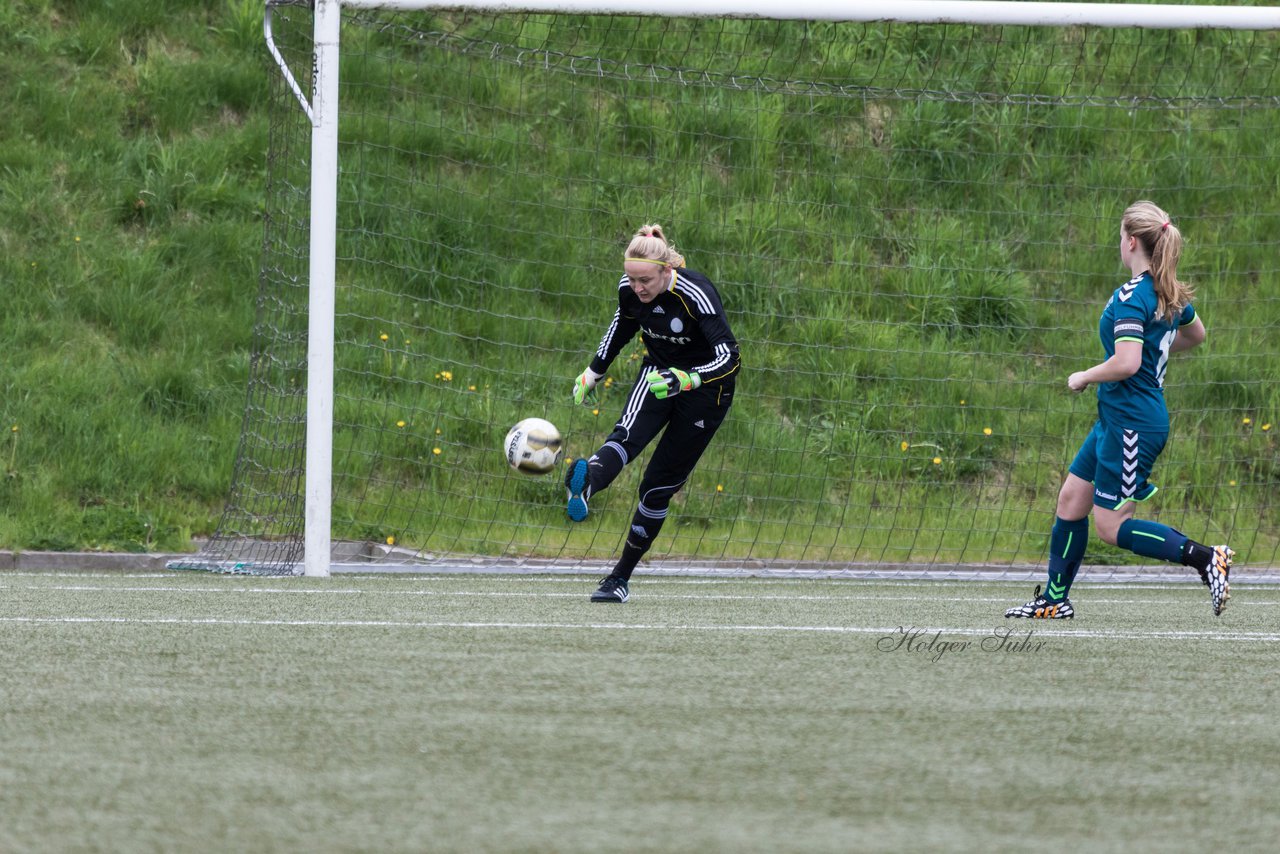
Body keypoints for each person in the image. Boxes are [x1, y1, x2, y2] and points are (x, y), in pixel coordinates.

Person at [1007, 200, 1233, 620]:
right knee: (1072, 498)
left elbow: (1126, 363)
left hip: (1132, 423)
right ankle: (1055, 599)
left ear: (1131, 242)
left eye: (1119, 237)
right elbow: (1195, 335)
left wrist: (1085, 376)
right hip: (1117, 418)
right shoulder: (1165, 290)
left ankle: (1205, 557)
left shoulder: (1133, 296)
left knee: (1111, 528)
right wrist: (1154, 351)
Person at [565, 224, 740, 603]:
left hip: (705, 392)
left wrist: (689, 379)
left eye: (645, 280)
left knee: (656, 487)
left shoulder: (695, 292)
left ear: (666, 271)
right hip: (657, 375)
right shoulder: (630, 291)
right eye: (631, 279)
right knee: (623, 437)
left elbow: (730, 357)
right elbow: (621, 326)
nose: (638, 288)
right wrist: (594, 372)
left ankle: (619, 578)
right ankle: (586, 484)